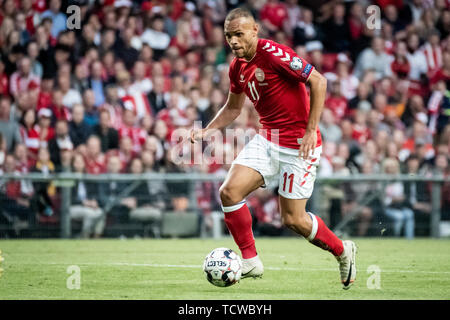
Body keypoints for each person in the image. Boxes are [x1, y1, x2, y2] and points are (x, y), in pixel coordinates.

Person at [190, 9, 356, 289]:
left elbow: (318, 81)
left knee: (294, 220)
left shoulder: (274, 53)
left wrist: (310, 130)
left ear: (255, 30)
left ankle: (343, 250)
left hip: (299, 146)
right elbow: (233, 108)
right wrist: (207, 130)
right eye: (228, 35)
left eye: (239, 34)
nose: (233, 40)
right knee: (229, 192)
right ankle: (251, 260)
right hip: (268, 139)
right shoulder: (237, 67)